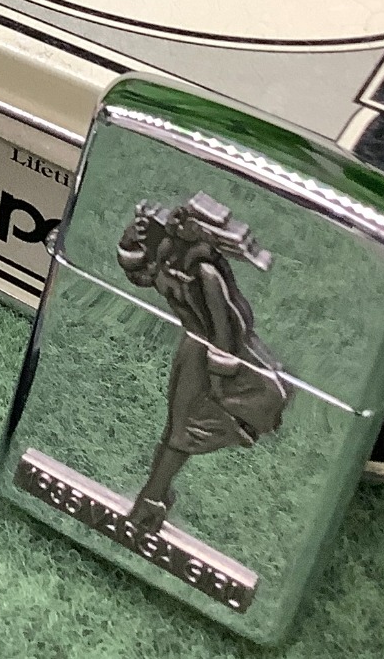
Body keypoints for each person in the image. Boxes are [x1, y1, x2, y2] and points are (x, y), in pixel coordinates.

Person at [116, 195, 289, 535]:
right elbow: (138, 273)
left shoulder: (206, 273)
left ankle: (152, 499)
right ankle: (155, 497)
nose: (172, 225)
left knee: (182, 429)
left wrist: (219, 379)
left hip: (210, 355)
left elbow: (226, 328)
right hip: (191, 349)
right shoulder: (169, 262)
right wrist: (131, 237)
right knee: (177, 427)